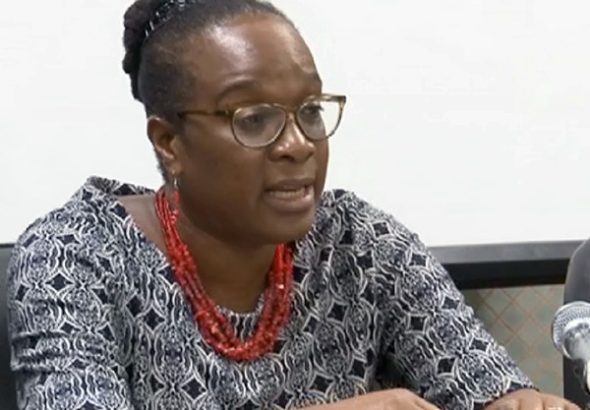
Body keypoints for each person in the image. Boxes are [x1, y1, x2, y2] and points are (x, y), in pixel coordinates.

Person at [6, 0, 577, 409]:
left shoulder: (360, 243)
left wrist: (516, 401)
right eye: (254, 119)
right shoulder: (74, 257)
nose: (298, 144)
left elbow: (486, 386)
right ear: (169, 142)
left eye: (309, 111)